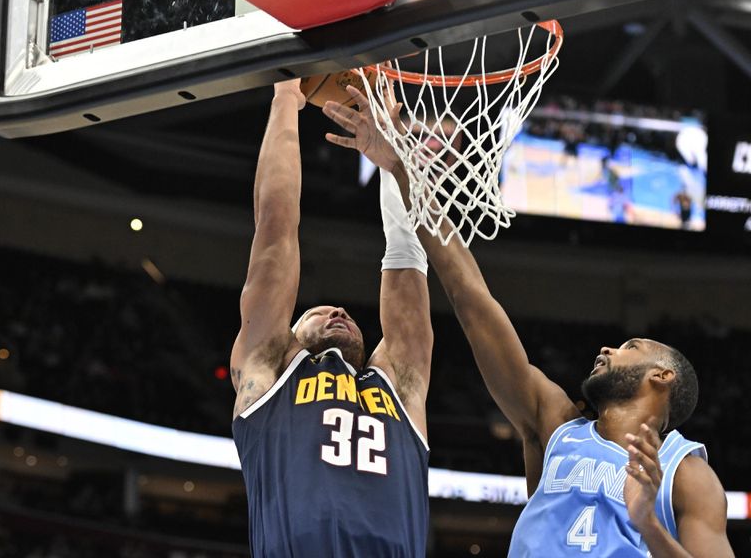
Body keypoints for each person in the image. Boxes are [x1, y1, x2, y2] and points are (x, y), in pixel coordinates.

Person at [323, 85, 733, 557]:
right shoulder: (553, 422)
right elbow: (471, 296)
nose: (607, 349)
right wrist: (400, 167)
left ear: (663, 377)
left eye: (630, 347)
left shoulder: (687, 473)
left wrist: (649, 526)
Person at [231, 79, 432, 557]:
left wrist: (393, 160)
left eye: (341, 313)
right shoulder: (270, 371)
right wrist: (285, 98)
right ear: (289, 336)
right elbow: (276, 229)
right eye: (319, 312)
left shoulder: (398, 385)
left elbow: (407, 254)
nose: (340, 310)